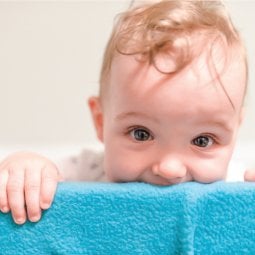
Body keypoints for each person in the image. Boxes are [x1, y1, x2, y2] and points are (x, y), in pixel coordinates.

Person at [0, 0, 253, 225]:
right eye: (141, 134)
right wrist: (24, 168)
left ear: (234, 132)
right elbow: (39, 177)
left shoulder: (236, 185)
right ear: (101, 122)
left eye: (202, 140)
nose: (170, 169)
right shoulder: (84, 174)